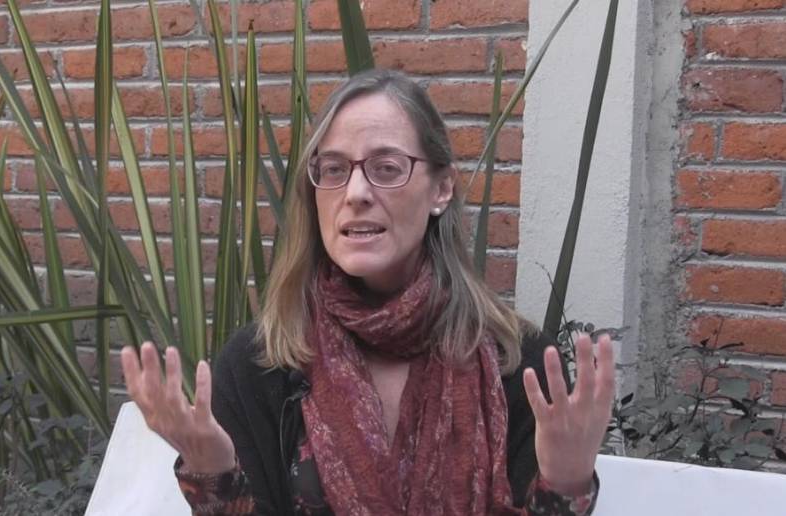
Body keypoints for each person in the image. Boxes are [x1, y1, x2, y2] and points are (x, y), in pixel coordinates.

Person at [122, 69, 615, 515]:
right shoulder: (258, 365)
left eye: (387, 167)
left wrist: (566, 484)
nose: (356, 193)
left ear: (441, 189)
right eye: (334, 169)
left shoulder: (517, 363)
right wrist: (214, 476)